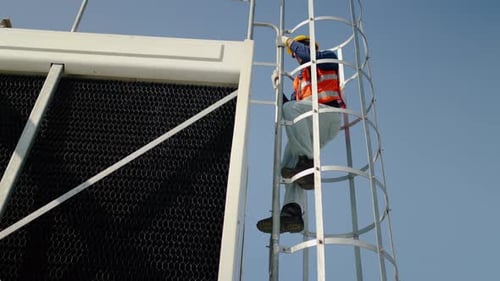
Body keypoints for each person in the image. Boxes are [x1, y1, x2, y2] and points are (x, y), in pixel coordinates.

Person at [257, 35, 346, 234]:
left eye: (302, 47)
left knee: (291, 111)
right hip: (308, 122)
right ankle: (292, 211)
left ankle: (308, 162)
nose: (298, 54)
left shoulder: (326, 57)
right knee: (288, 166)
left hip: (326, 115)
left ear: (310, 46)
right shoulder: (299, 80)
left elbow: (308, 57)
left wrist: (289, 42)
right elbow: (288, 108)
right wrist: (278, 86)